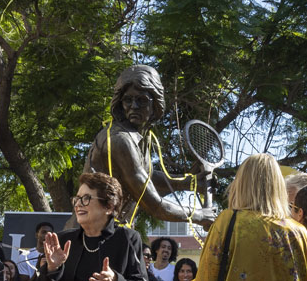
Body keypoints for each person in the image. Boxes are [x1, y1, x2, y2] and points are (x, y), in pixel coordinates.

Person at [84, 65, 215, 225]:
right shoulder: (120, 140)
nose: (134, 106)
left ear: (156, 104)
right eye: (128, 100)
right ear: (119, 103)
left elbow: (145, 176)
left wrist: (189, 183)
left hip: (113, 231)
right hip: (92, 233)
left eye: (142, 100)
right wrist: (199, 215)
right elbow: (155, 206)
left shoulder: (140, 136)